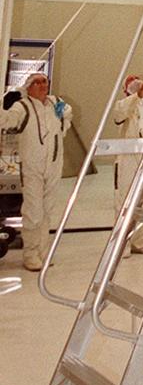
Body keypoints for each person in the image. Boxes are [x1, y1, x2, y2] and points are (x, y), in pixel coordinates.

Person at [0, 72, 72, 271]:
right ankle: (30, 253)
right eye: (37, 82)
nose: (42, 85)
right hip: (32, 166)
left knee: (48, 209)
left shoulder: (55, 102)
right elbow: (6, 121)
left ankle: (42, 252)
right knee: (33, 209)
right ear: (29, 87)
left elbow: (67, 116)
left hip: (54, 163)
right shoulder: (22, 106)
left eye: (44, 81)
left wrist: (64, 113)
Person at [113, 76, 143, 255]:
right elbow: (118, 115)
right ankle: (121, 245)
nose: (139, 89)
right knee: (124, 202)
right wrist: (137, 97)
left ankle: (138, 241)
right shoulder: (123, 105)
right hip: (127, 160)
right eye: (135, 87)